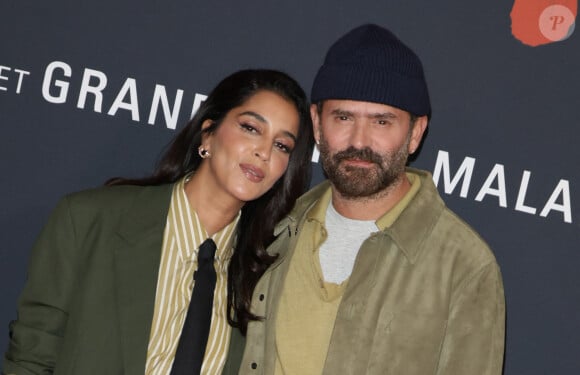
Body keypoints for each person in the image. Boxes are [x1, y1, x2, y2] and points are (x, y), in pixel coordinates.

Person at [228, 24, 505, 374]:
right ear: (316, 122)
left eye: (381, 122)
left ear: (416, 132)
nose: (359, 141)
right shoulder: (276, 229)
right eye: (343, 117)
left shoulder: (463, 266)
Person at [3, 69, 314, 374]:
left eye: (282, 145)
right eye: (251, 128)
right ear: (208, 132)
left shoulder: (266, 274)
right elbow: (31, 360)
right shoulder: (90, 220)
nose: (263, 152)